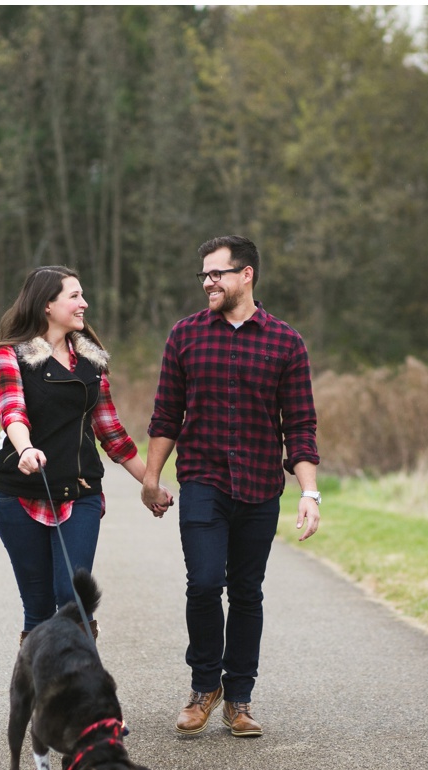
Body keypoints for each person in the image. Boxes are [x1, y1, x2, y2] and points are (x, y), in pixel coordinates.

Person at [137, 235, 321, 740]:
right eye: (203, 275)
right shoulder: (186, 336)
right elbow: (165, 414)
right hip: (203, 480)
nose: (207, 283)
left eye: (216, 273)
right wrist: (151, 479)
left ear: (247, 275)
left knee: (245, 592)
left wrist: (309, 492)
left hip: (261, 486)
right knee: (203, 583)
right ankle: (203, 687)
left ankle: (238, 698)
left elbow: (300, 426)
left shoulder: (286, 342)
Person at [0, 266, 151, 644]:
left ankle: (88, 697)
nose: (84, 304)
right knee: (38, 606)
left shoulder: (92, 361)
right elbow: (13, 411)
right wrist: (25, 448)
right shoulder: (9, 355)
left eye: (82, 295)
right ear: (47, 305)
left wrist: (151, 483)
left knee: (72, 599)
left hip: (80, 494)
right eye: (74, 296)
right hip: (20, 494)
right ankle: (36, 696)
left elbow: (112, 433)